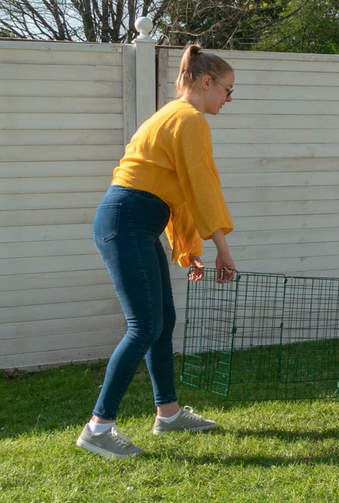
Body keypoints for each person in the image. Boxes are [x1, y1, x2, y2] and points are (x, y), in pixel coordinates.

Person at [76, 44, 237, 459]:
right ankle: (98, 428)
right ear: (205, 82)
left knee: (161, 322)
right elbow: (202, 187)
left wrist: (188, 248)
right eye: (227, 90)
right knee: (143, 325)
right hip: (126, 221)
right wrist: (222, 247)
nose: (228, 99)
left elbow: (174, 191)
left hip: (134, 221)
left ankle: (167, 412)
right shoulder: (189, 118)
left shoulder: (171, 115)